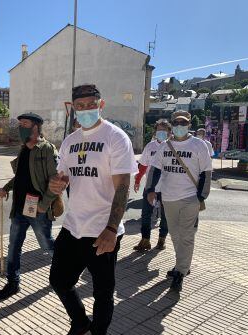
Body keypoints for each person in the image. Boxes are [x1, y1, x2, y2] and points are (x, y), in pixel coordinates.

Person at [49, 84, 137, 335]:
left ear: (101, 105)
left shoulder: (115, 137)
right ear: (72, 108)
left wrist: (111, 228)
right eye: (80, 106)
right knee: (59, 281)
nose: (86, 110)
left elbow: (122, 186)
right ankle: (79, 322)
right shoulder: (70, 141)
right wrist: (57, 183)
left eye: (91, 105)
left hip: (102, 229)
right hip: (73, 226)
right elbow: (62, 177)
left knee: (103, 292)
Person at [146, 110, 212, 292]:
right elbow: (155, 169)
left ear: (189, 125)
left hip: (190, 198)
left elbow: (206, 172)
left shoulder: (199, 145)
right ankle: (181, 264)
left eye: (183, 123)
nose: (180, 127)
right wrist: (150, 190)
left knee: (187, 235)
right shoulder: (165, 146)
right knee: (175, 235)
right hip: (168, 198)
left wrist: (200, 197)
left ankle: (180, 272)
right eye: (176, 123)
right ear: (172, 125)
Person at [0, 112, 58, 300]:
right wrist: (6, 188)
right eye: (19, 124)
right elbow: (21, 176)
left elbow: (55, 181)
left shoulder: (46, 149)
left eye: (25, 123)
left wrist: (43, 205)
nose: (20, 127)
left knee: (47, 245)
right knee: (14, 246)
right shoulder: (23, 149)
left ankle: (64, 272)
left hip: (38, 208)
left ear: (36, 127)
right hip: (19, 207)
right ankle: (12, 283)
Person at [133, 119, 171, 251]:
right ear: (155, 132)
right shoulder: (150, 146)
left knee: (166, 216)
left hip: (166, 187)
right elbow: (143, 165)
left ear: (169, 132)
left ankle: (161, 240)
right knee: (146, 214)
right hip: (150, 186)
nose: (162, 133)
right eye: (159, 130)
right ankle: (145, 240)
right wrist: (137, 180)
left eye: (164, 130)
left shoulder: (172, 146)